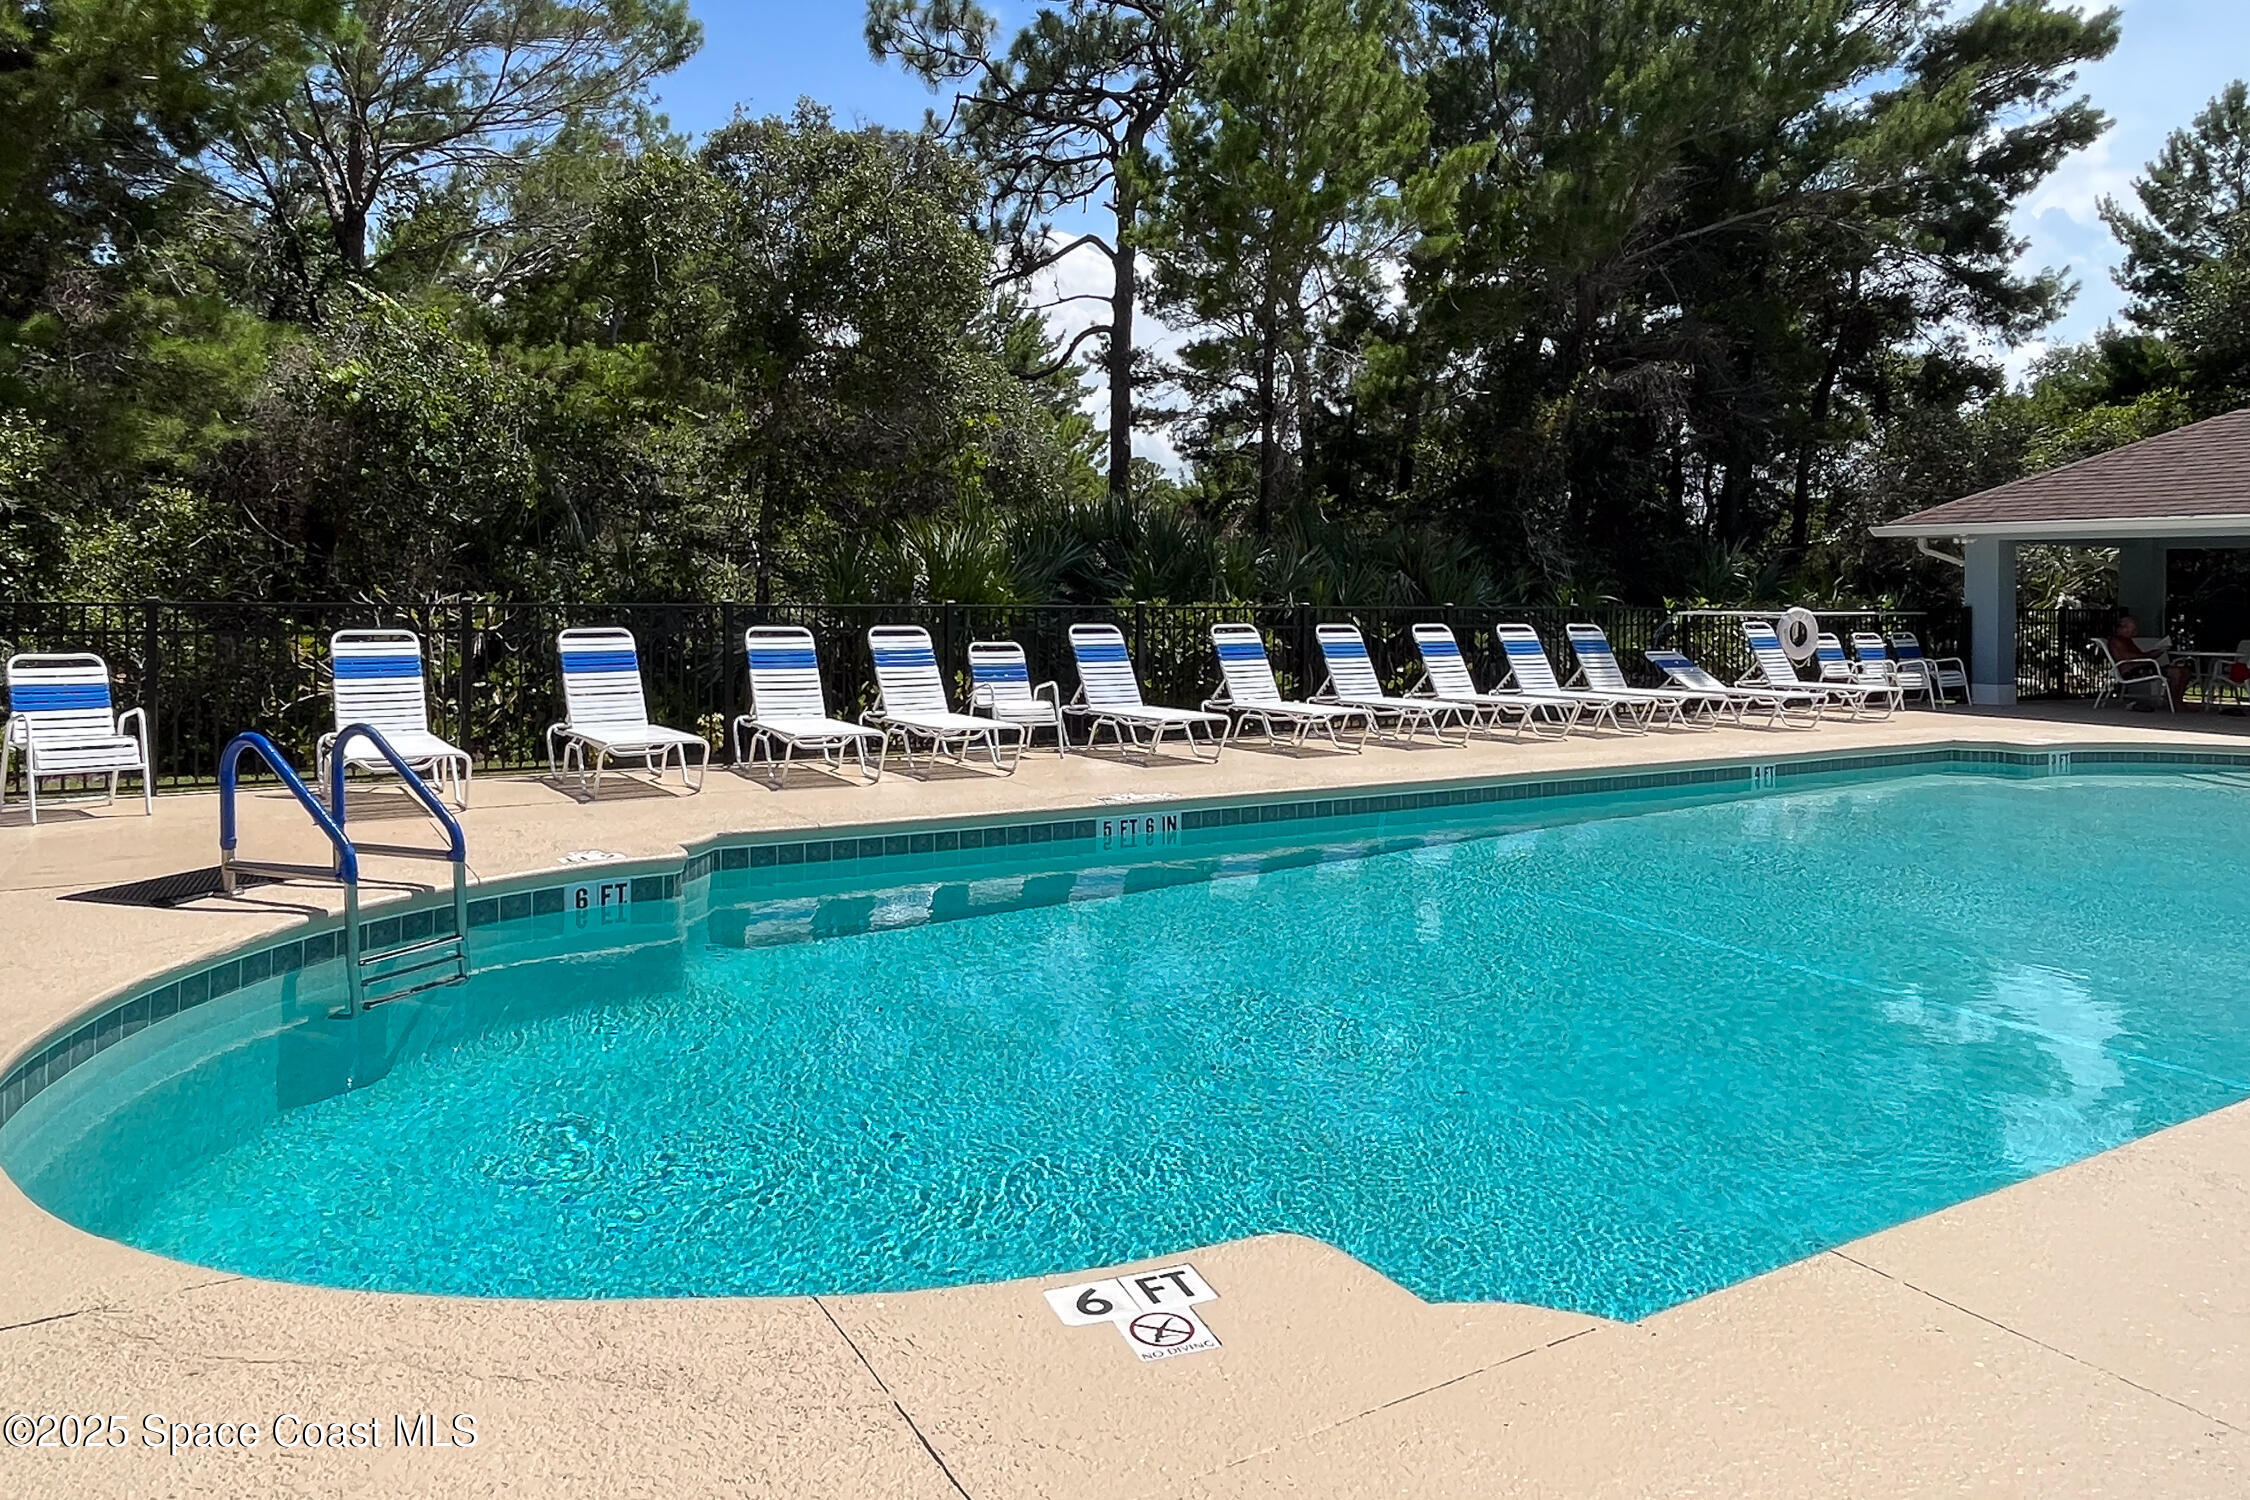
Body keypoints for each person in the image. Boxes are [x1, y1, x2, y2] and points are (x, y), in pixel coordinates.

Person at [2106, 615, 2194, 710]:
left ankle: (2178, 700)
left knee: (2186, 671)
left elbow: (2138, 655)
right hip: (2133, 671)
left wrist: (2155, 653)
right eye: (2131, 630)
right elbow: (2129, 657)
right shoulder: (2117, 641)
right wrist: (2150, 655)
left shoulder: (2127, 640)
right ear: (2122, 628)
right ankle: (2175, 702)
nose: (2134, 633)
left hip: (2143, 667)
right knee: (2176, 672)